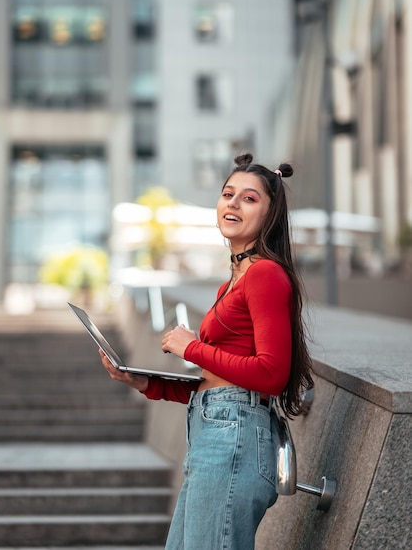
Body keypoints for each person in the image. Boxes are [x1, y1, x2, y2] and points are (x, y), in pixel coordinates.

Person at [100, 153, 313, 550]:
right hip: (215, 429)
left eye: (249, 199)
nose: (232, 203)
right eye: (227, 194)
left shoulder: (265, 274)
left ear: (270, 215)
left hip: (234, 436)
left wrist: (192, 347)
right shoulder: (231, 283)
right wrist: (145, 381)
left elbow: (271, 374)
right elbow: (216, 385)